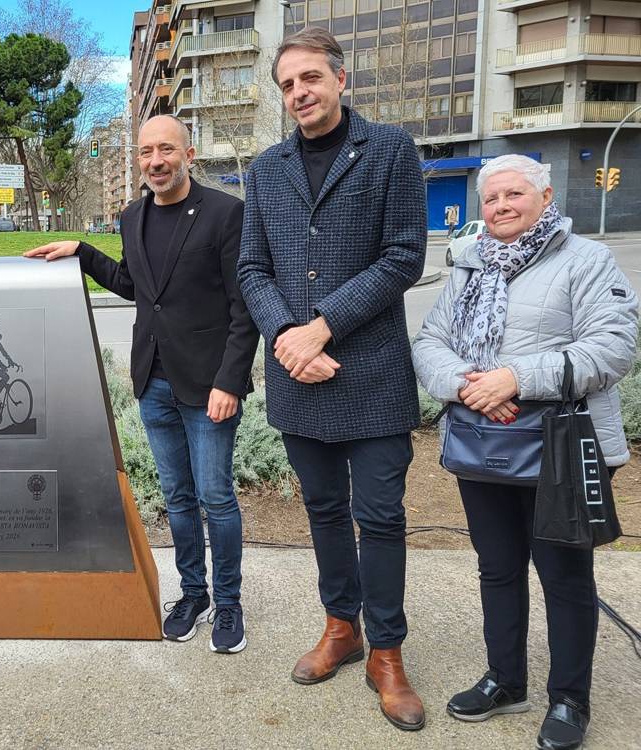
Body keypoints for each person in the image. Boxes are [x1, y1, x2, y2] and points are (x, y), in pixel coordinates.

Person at [236, 27, 427, 730]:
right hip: (297, 375)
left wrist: (323, 325)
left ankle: (388, 652)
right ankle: (340, 628)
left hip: (370, 373)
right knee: (322, 513)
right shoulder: (265, 169)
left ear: (341, 80)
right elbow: (252, 268)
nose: (299, 94)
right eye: (287, 85)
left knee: (379, 517)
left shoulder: (391, 152)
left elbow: (405, 254)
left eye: (310, 78)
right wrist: (288, 338)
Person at [413, 154, 638, 750]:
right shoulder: (467, 263)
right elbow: (430, 340)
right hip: (484, 442)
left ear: (544, 198)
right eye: (491, 199)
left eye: (514, 194)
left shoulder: (585, 260)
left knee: (565, 575)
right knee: (497, 568)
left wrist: (514, 377)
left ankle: (569, 698)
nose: (501, 206)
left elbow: (613, 348)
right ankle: (505, 680)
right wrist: (467, 384)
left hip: (563, 445)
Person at [25, 115, 260, 654]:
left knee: (216, 497)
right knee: (178, 498)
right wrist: (83, 253)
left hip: (208, 386)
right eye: (145, 151)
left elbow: (242, 307)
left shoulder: (227, 213)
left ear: (189, 154)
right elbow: (138, 287)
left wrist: (230, 380)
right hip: (152, 378)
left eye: (166, 150)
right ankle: (193, 594)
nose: (155, 161)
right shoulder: (132, 216)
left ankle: (229, 603)